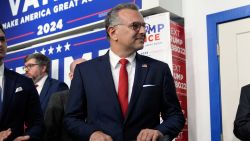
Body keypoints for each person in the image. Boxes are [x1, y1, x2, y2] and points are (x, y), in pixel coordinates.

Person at [64, 3, 185, 141]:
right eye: (135, 26)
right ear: (113, 32)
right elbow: (71, 119)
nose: (143, 31)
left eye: (144, 26)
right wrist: (92, 134)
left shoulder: (158, 69)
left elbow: (175, 116)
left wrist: (159, 131)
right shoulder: (85, 71)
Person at [0, 24, 44, 141]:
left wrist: (28, 136)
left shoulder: (24, 82)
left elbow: (37, 122)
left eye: (2, 39)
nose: (0, 44)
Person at [43, 58, 86, 141]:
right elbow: (49, 131)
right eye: (81, 71)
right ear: (71, 76)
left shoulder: (99, 97)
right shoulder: (59, 98)